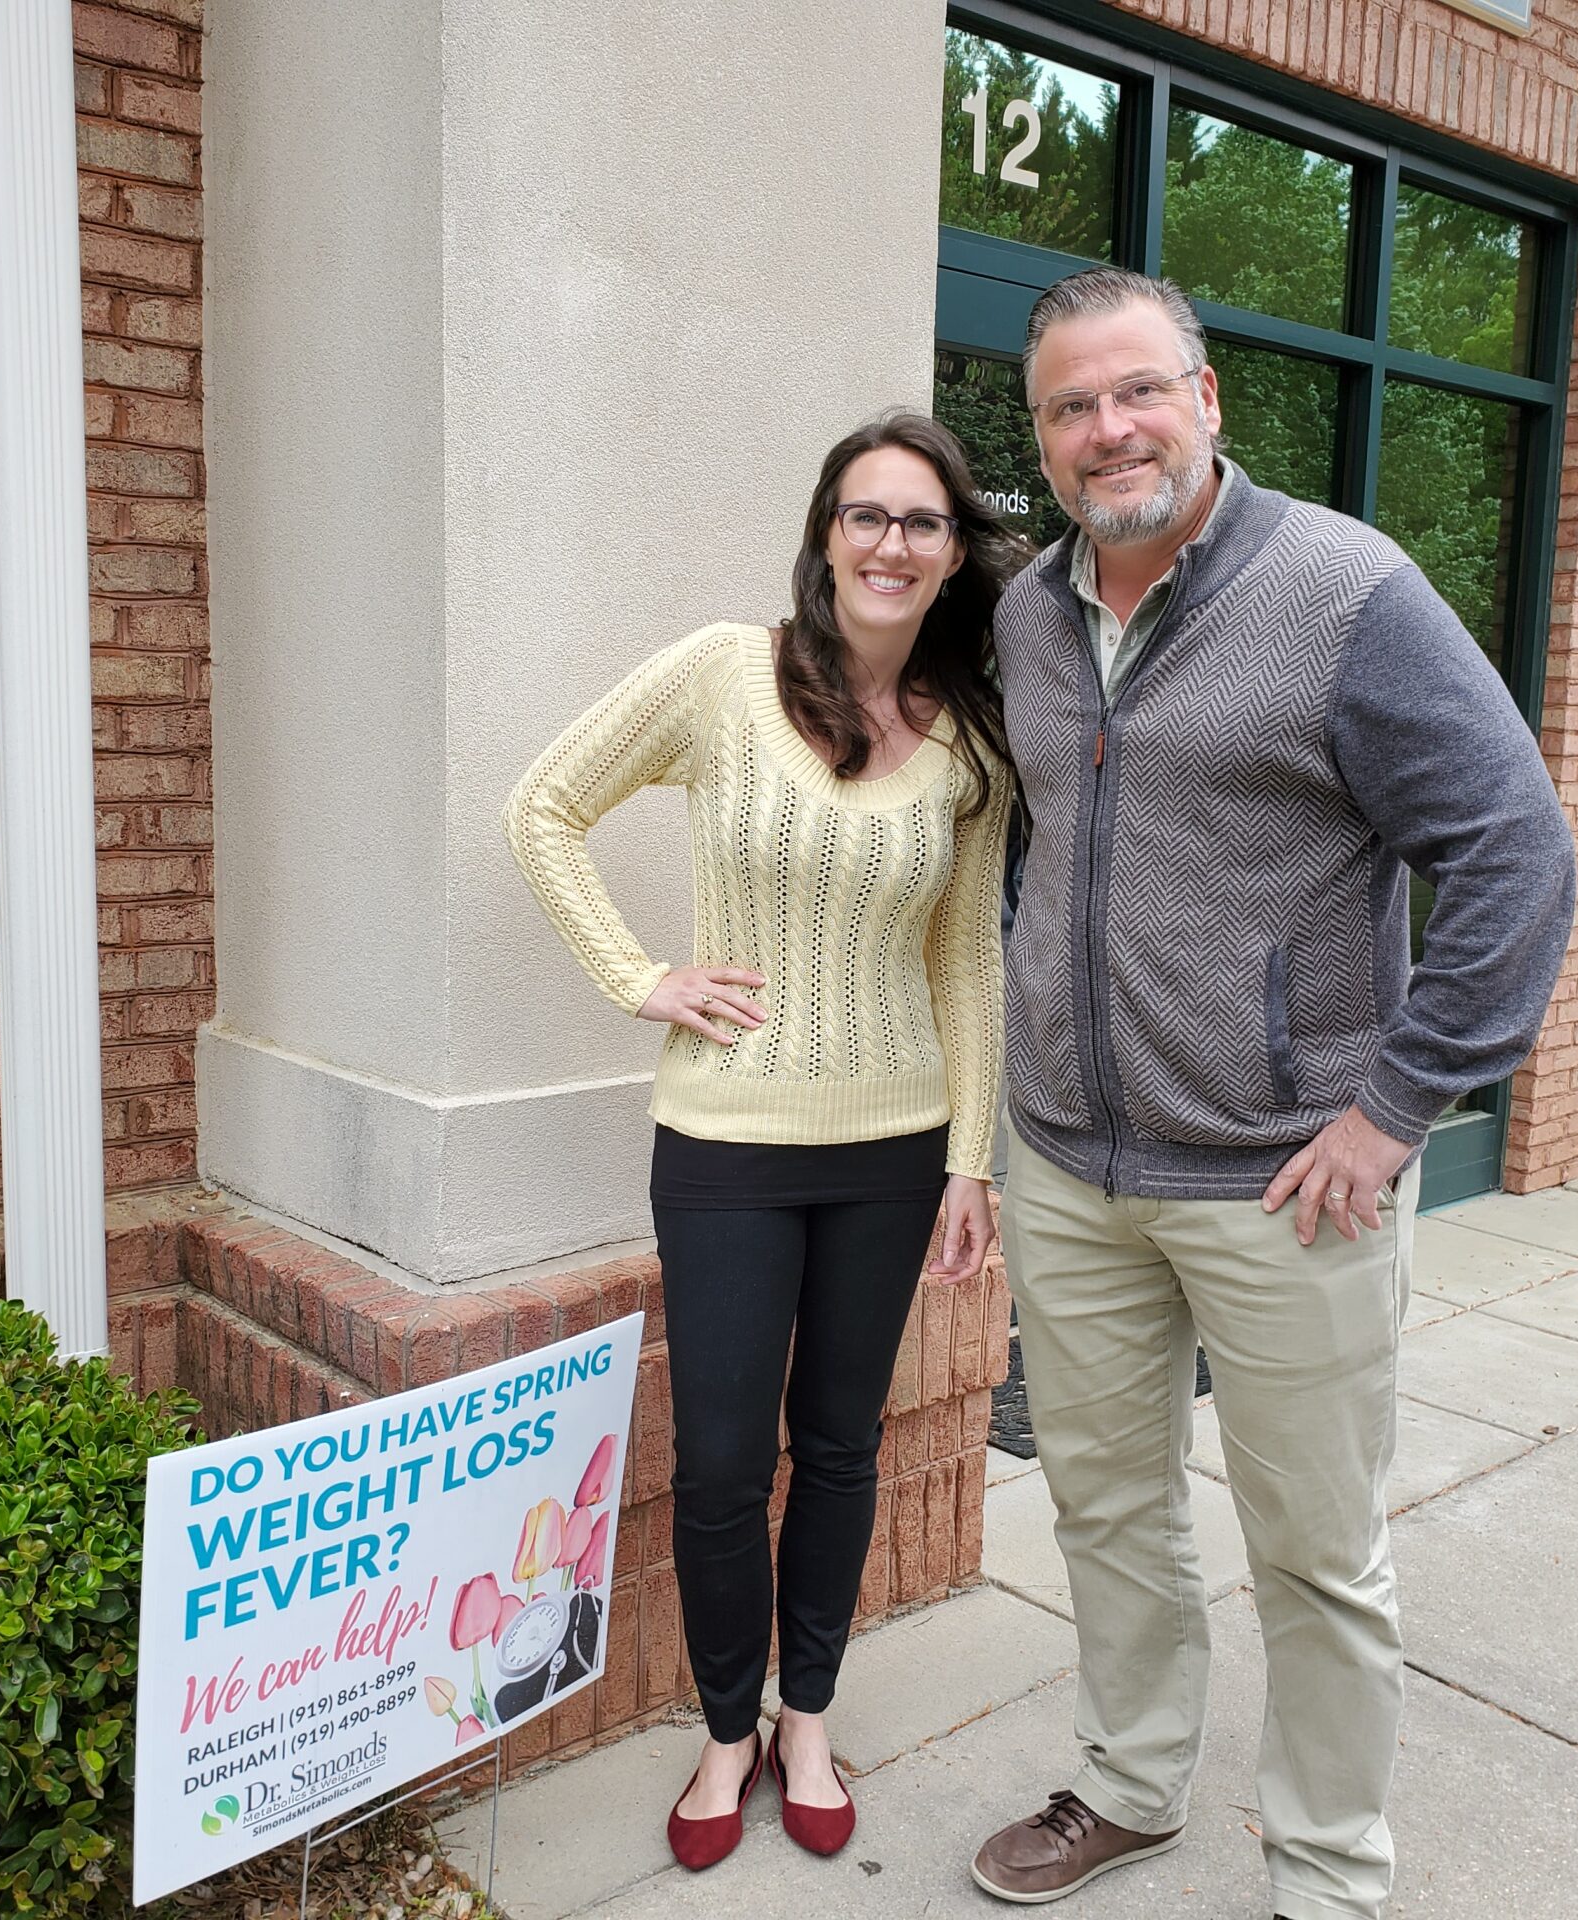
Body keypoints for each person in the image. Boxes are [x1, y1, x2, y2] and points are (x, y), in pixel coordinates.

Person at [969, 267, 1577, 1919]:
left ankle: (1327, 1868)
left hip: (1285, 1181)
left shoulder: (1343, 593)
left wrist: (1396, 1108)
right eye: (1071, 407)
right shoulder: (1026, 613)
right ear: (1041, 437)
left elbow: (1515, 854)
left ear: (1208, 396)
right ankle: (1129, 1782)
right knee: (1104, 1507)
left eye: (1138, 391)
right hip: (1071, 1169)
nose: (1110, 430)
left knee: (1316, 1554)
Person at [505, 412, 1020, 1871]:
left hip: (894, 1149)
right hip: (725, 1140)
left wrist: (970, 1159)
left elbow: (967, 963)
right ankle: (727, 1732)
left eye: (922, 522)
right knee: (726, 1460)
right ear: (826, 534)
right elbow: (544, 808)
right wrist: (638, 978)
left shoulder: (972, 738)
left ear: (948, 553)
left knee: (841, 1447)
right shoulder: (725, 676)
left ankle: (810, 1715)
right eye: (867, 515)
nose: (892, 543)